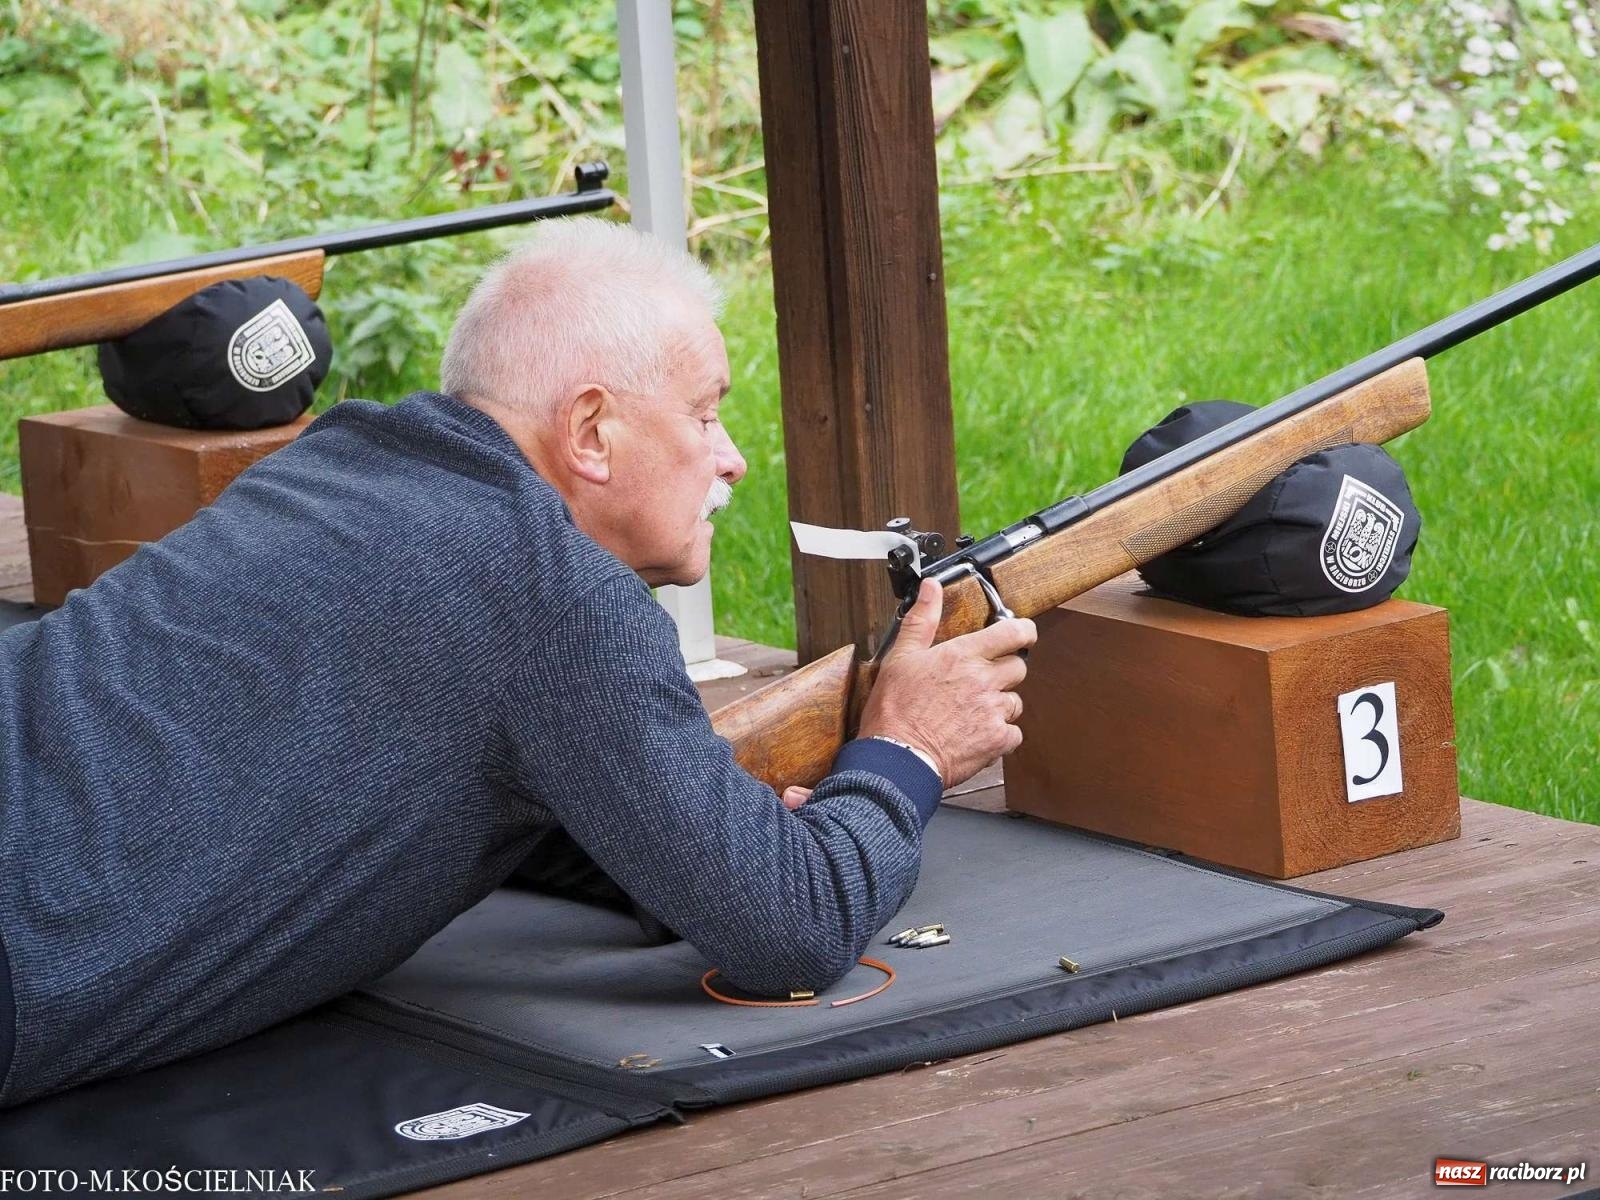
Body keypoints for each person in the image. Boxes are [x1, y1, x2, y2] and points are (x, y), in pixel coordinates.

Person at [0, 218, 1034, 1108]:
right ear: (590, 428)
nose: (732, 458)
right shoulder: (549, 588)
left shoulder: (344, 455)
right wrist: (905, 751)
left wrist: (672, 825)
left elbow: (408, 761)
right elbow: (792, 930)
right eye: (706, 414)